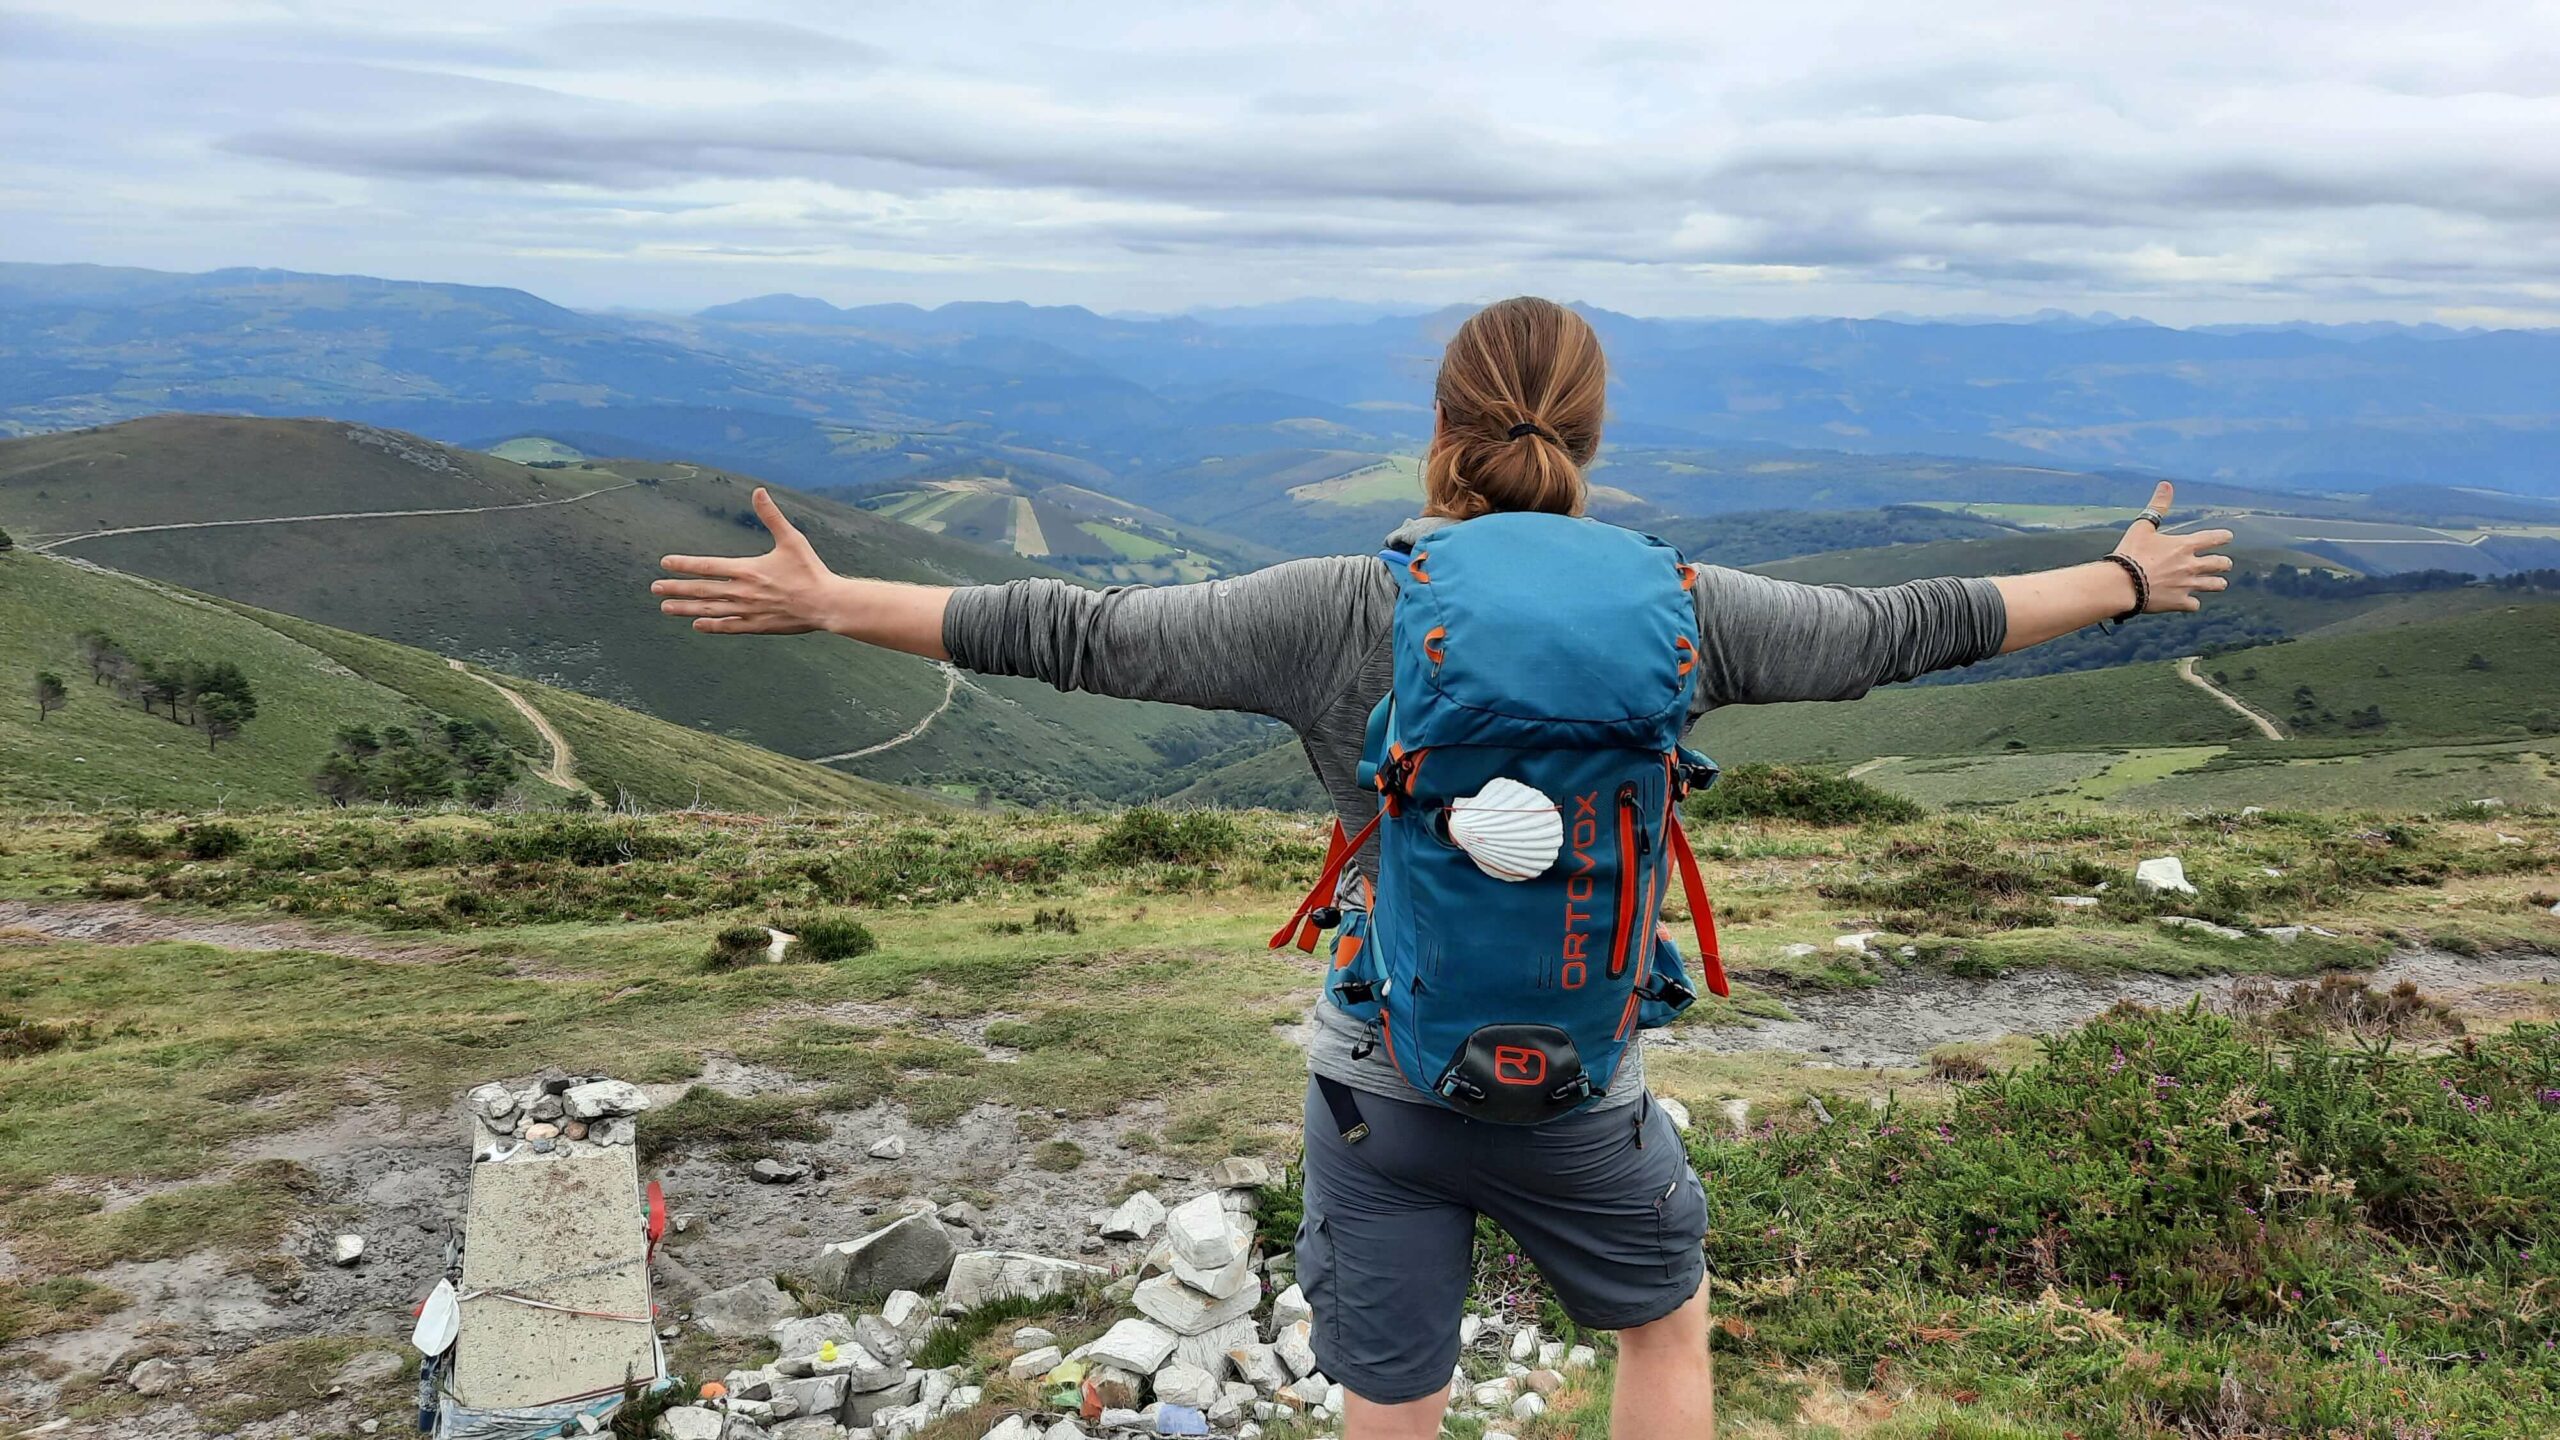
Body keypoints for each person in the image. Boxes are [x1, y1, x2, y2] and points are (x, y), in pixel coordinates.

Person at [652, 296, 2234, 1439]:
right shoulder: (1685, 609)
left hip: (1379, 1082)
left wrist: (840, 602)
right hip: (1583, 1092)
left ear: (1442, 432)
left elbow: (1083, 634)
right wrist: (2118, 578)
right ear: (1593, 435)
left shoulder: (1343, 604)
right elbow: (1912, 628)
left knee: (1391, 1400)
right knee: (1664, 1331)